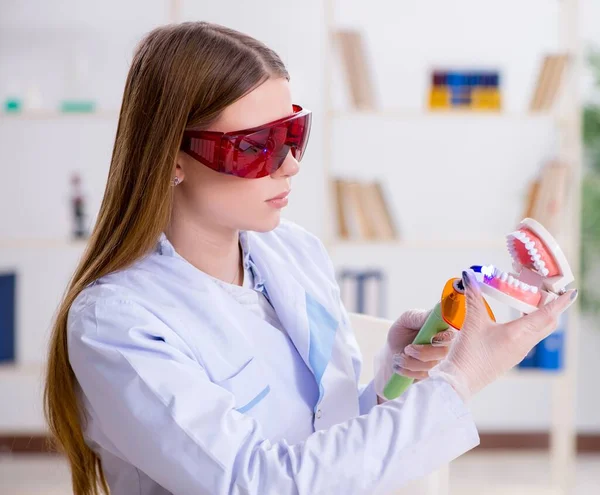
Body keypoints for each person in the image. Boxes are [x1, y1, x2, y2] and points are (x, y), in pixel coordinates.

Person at [43, 21, 577, 495]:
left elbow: (330, 444)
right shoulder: (116, 323)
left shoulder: (292, 250)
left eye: (295, 133)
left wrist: (392, 377)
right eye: (256, 146)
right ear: (172, 159)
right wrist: (460, 383)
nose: (290, 164)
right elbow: (253, 482)